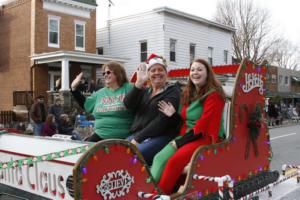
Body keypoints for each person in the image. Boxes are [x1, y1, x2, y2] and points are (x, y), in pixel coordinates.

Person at [150, 58, 226, 194]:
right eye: (192, 70)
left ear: (207, 73)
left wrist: (178, 142)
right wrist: (173, 115)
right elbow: (183, 120)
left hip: (206, 137)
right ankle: (147, 189)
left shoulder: (214, 95)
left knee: (174, 162)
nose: (195, 73)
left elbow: (203, 126)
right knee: (159, 158)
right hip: (188, 135)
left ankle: (159, 195)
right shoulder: (189, 92)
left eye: (199, 69)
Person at [124, 54, 181, 166]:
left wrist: (138, 139)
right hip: (139, 134)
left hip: (161, 136)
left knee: (133, 156)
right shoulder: (145, 91)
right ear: (148, 74)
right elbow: (128, 104)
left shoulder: (173, 91)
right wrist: (138, 84)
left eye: (160, 70)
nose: (157, 73)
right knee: (116, 151)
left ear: (166, 72)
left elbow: (161, 121)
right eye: (153, 70)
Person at [71, 61, 134, 142]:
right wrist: (74, 89)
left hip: (124, 136)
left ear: (118, 73)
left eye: (108, 72)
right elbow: (86, 105)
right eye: (104, 73)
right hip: (100, 134)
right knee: (85, 150)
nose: (105, 75)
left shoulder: (129, 88)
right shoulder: (100, 93)